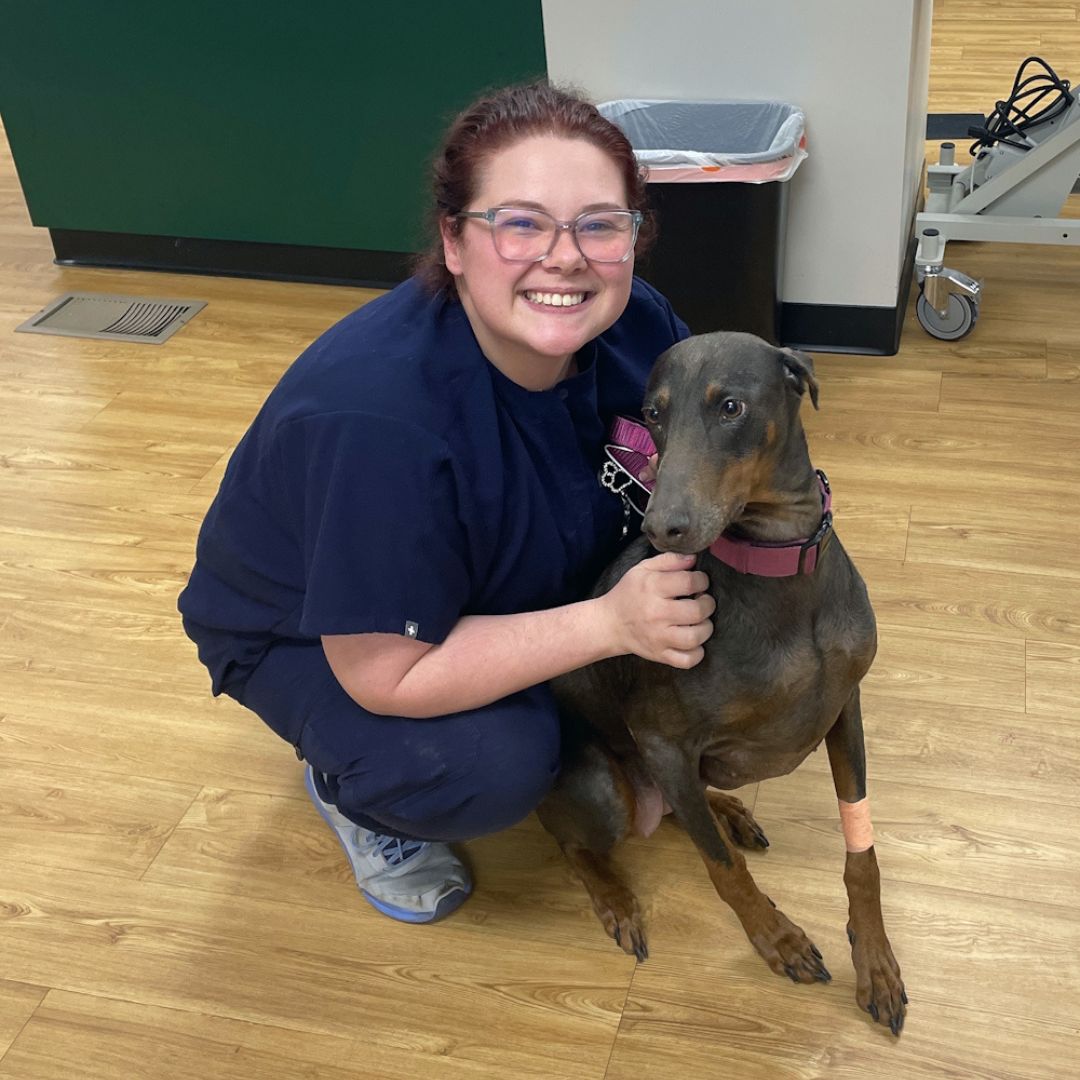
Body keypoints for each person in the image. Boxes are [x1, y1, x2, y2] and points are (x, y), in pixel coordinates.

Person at [178, 82, 715, 925]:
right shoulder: (376, 419)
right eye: (520, 222)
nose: (566, 257)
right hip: (323, 636)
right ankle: (352, 789)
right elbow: (390, 673)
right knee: (486, 760)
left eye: (600, 224)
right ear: (454, 242)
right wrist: (612, 630)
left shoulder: (639, 329)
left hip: (506, 566)